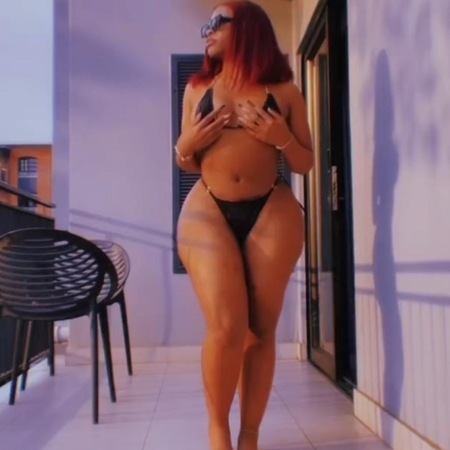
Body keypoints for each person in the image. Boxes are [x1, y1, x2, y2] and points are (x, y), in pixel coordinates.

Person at [174, 2, 314, 449]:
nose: (207, 31)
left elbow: (305, 163)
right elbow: (187, 161)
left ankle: (249, 435)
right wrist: (187, 143)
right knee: (227, 325)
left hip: (270, 208)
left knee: (260, 331)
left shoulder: (285, 91)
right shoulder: (198, 89)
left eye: (217, 22)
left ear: (248, 28)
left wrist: (281, 138)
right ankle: (218, 430)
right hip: (209, 209)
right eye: (207, 24)